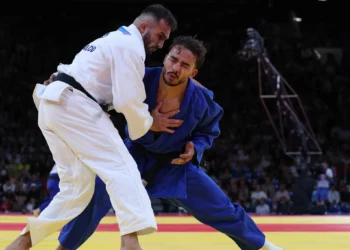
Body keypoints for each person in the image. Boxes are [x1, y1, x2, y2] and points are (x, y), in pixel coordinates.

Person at [52, 36, 284, 250]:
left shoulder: (202, 99)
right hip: (132, 156)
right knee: (94, 198)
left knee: (220, 208)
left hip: (174, 164)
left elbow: (208, 132)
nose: (175, 68)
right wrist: (64, 80)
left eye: (184, 66)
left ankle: (263, 247)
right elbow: (98, 86)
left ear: (193, 73)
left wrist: (196, 147)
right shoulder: (140, 79)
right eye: (173, 59)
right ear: (165, 57)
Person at [5, 4, 179, 250]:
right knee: (123, 167)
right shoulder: (130, 46)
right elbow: (127, 100)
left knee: (77, 189)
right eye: (160, 36)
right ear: (143, 27)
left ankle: (23, 242)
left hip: (55, 103)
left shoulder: (112, 39)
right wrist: (150, 123)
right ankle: (130, 242)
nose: (161, 44)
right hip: (75, 105)